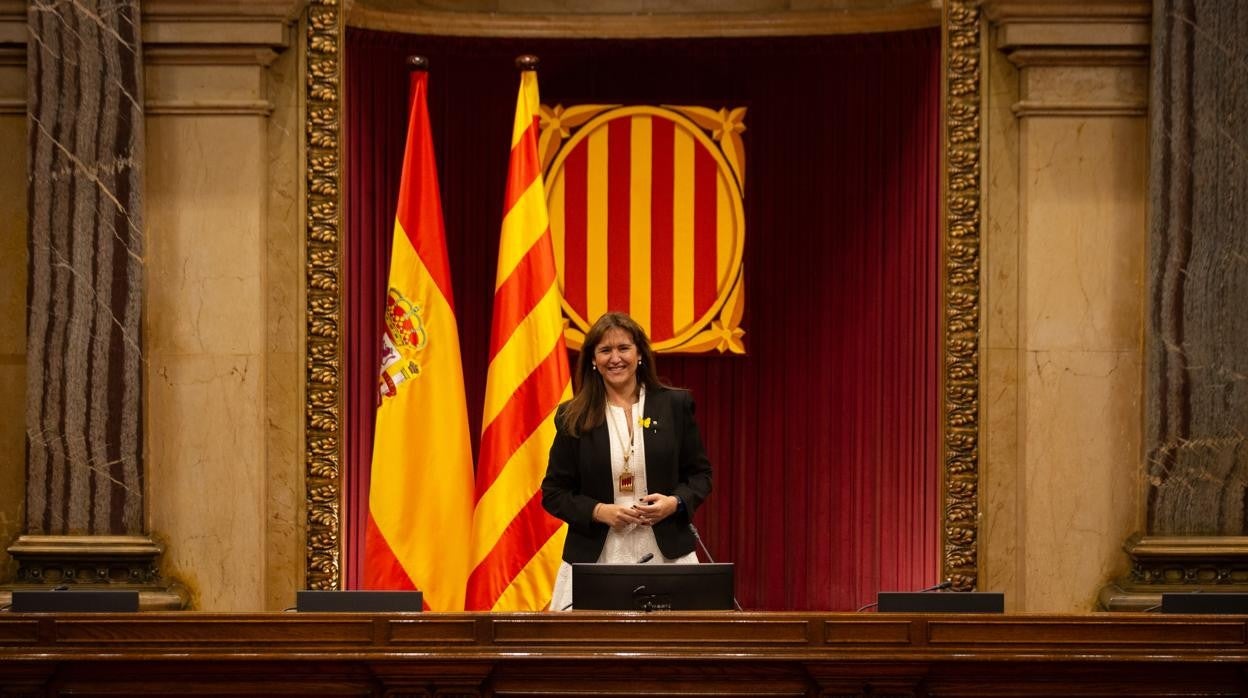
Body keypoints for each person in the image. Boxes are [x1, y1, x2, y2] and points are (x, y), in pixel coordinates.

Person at [541, 311, 713, 611]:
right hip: (597, 555)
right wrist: (598, 511)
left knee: (673, 650)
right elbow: (554, 493)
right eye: (605, 350)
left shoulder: (675, 405)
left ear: (639, 354)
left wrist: (674, 503)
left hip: (667, 553)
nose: (615, 358)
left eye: (623, 348)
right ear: (593, 359)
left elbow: (701, 476)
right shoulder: (572, 416)